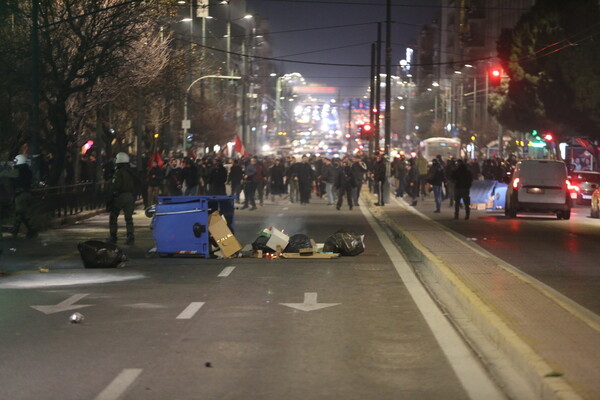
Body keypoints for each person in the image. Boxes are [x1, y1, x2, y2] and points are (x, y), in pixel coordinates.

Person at [0, 155, 37, 238]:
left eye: (15, 161)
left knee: (20, 213)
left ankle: (17, 230)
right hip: (27, 193)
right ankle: (29, 231)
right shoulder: (28, 171)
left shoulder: (17, 171)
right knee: (23, 213)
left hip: (20, 195)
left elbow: (3, 174)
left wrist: (4, 167)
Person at [108, 152, 136, 245]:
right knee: (128, 218)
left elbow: (116, 185)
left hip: (120, 196)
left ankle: (113, 236)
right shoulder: (131, 171)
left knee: (113, 216)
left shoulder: (119, 172)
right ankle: (130, 236)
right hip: (130, 196)